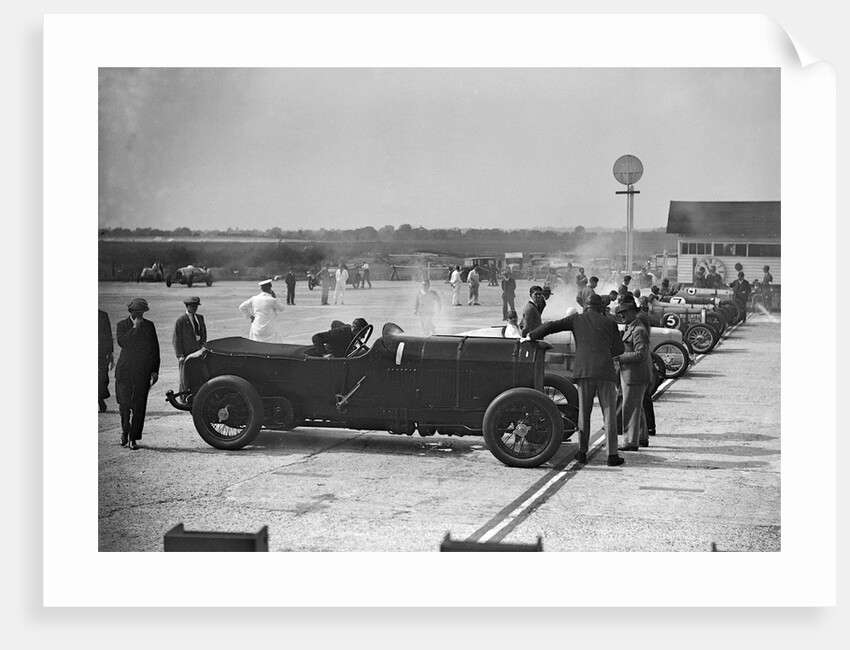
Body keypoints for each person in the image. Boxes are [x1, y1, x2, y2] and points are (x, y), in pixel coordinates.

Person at [524, 293, 626, 467]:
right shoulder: (610, 322)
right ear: (601, 308)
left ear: (585, 307)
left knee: (584, 413)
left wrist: (531, 336)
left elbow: (551, 326)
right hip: (605, 371)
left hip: (584, 371)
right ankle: (612, 455)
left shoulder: (576, 319)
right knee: (609, 414)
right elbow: (619, 349)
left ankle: (582, 452)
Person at [114, 298, 160, 450]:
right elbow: (123, 342)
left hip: (142, 372)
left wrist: (154, 371)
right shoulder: (122, 325)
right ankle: (125, 431)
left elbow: (155, 350)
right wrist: (134, 328)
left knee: (139, 406)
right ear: (131, 312)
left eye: (142, 312)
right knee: (125, 404)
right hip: (125, 372)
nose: (140, 315)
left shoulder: (149, 326)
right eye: (137, 312)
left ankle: (133, 438)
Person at [614, 296, 654, 451]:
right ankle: (642, 437)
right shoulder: (633, 327)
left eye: (624, 312)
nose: (621, 316)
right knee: (638, 407)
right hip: (633, 374)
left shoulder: (637, 331)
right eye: (620, 313)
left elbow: (640, 354)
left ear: (632, 312)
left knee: (630, 408)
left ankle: (631, 441)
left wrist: (618, 358)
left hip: (635, 375)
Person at [172, 296, 207, 395]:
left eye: (196, 306)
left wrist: (203, 344)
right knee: (185, 377)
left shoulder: (200, 318)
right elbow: (176, 339)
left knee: (197, 375)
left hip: (198, 351)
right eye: (192, 306)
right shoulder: (181, 320)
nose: (195, 308)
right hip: (186, 353)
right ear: (187, 306)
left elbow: (203, 332)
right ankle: (184, 396)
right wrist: (180, 355)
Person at [98, 309, 114, 412]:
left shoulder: (102, 315)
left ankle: (99, 397)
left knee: (102, 376)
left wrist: (110, 352)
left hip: (100, 351)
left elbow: (108, 335)